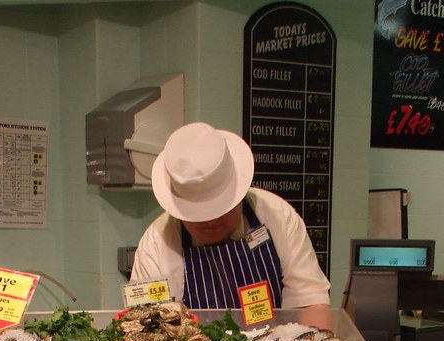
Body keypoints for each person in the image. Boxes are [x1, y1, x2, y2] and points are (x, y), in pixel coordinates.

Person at [130, 122, 331, 326]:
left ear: (238, 193)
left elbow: (310, 303)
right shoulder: (154, 247)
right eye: (197, 215)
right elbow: (146, 327)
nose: (210, 220)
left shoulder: (278, 216)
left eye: (220, 209)